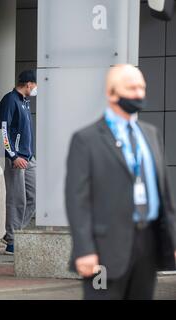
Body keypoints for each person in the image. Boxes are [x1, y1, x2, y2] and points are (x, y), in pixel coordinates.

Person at [65, 64, 176, 300]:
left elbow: (165, 196)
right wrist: (85, 250)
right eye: (131, 87)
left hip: (148, 246)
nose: (138, 93)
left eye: (141, 87)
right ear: (111, 93)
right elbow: (77, 200)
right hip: (103, 251)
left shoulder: (151, 134)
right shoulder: (86, 140)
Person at [0, 70, 37, 255]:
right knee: (17, 200)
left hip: (29, 158)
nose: (35, 89)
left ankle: (14, 233)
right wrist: (13, 156)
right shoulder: (10, 100)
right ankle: (12, 241)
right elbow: (4, 131)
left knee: (34, 197)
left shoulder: (25, 102)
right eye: (35, 85)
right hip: (16, 159)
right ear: (29, 84)